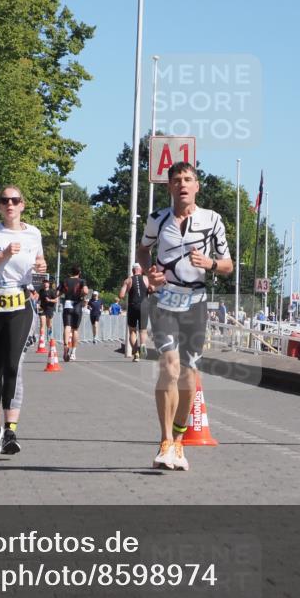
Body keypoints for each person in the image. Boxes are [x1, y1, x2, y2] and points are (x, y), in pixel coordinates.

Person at [138, 162, 233, 471]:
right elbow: (143, 250)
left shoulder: (212, 220)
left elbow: (228, 265)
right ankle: (165, 441)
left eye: (188, 179)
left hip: (195, 303)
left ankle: (179, 440)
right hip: (164, 301)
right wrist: (149, 274)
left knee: (189, 375)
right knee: (169, 366)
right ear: (169, 187)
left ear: (196, 186)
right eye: (177, 180)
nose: (182, 184)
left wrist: (210, 264)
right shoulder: (157, 219)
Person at [0, 185, 47, 455]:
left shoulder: (33, 233)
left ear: (22, 204)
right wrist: (2, 255)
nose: (10, 204)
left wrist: (41, 269)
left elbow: (39, 268)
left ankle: (11, 430)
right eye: (5, 201)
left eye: (15, 200)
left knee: (13, 367)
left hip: (20, 305)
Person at [118, 263, 151, 362]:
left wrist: (127, 289)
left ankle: (136, 353)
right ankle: (143, 345)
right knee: (143, 330)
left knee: (132, 331)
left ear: (133, 271)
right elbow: (152, 290)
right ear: (141, 270)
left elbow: (121, 295)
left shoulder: (128, 280)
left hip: (133, 306)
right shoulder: (146, 279)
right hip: (144, 306)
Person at [59, 266, 87, 361]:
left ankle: (66, 345)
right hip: (77, 305)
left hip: (67, 304)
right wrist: (82, 295)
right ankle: (73, 353)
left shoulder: (65, 281)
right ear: (79, 272)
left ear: (71, 272)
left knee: (67, 326)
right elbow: (86, 291)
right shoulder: (82, 281)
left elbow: (58, 293)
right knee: (75, 329)